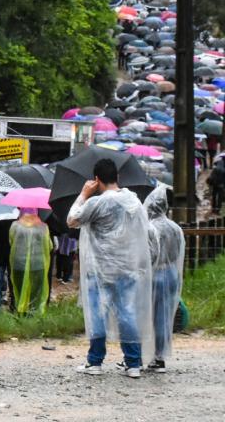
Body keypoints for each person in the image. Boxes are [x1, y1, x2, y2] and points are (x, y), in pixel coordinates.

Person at [68, 159, 154, 379]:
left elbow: (72, 219)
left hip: (100, 269)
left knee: (97, 313)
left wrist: (84, 194)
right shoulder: (133, 201)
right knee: (128, 313)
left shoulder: (97, 203)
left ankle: (95, 361)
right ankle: (133, 363)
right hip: (128, 268)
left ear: (97, 180)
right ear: (117, 177)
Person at [144, 184, 185, 373]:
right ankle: (160, 357)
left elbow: (149, 255)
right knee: (164, 317)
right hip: (171, 274)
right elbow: (177, 254)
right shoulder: (175, 228)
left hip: (155, 274)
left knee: (148, 317)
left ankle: (147, 355)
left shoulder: (150, 228)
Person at [9, 208, 51, 315]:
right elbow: (49, 246)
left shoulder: (15, 225)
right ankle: (33, 312)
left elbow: (11, 241)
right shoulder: (43, 227)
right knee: (36, 291)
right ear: (36, 212)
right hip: (38, 263)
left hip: (19, 263)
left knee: (19, 289)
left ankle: (20, 312)